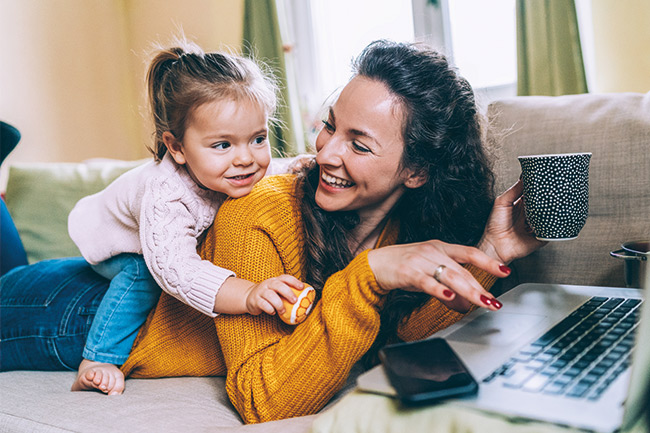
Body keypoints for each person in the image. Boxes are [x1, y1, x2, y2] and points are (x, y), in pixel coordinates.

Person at [0, 40, 543, 422]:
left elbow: (405, 338)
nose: (325, 150)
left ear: (417, 171)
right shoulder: (255, 208)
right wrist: (366, 279)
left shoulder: (398, 227)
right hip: (69, 313)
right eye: (330, 124)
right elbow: (262, 398)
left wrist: (488, 254)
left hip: (81, 300)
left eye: (358, 142)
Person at [65, 40, 306, 395]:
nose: (246, 158)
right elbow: (176, 271)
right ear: (176, 147)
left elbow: (279, 170)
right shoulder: (167, 196)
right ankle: (98, 357)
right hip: (112, 240)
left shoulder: (240, 169)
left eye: (258, 138)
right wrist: (248, 293)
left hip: (150, 232)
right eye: (223, 145)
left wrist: (307, 166)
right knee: (141, 274)